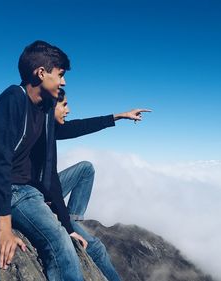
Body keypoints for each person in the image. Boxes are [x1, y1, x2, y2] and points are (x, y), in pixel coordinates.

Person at [0, 40, 87, 281]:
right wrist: (4, 229)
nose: (64, 82)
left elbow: (58, 152)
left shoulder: (46, 108)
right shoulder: (12, 99)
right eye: (60, 74)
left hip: (22, 191)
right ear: (41, 73)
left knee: (61, 244)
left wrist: (67, 228)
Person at [51, 88, 150, 280]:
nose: (68, 110)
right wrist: (63, 222)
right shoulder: (35, 131)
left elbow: (83, 125)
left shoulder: (49, 128)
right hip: (37, 195)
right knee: (96, 247)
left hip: (45, 189)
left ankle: (73, 218)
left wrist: (120, 116)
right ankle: (69, 222)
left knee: (86, 168)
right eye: (64, 105)